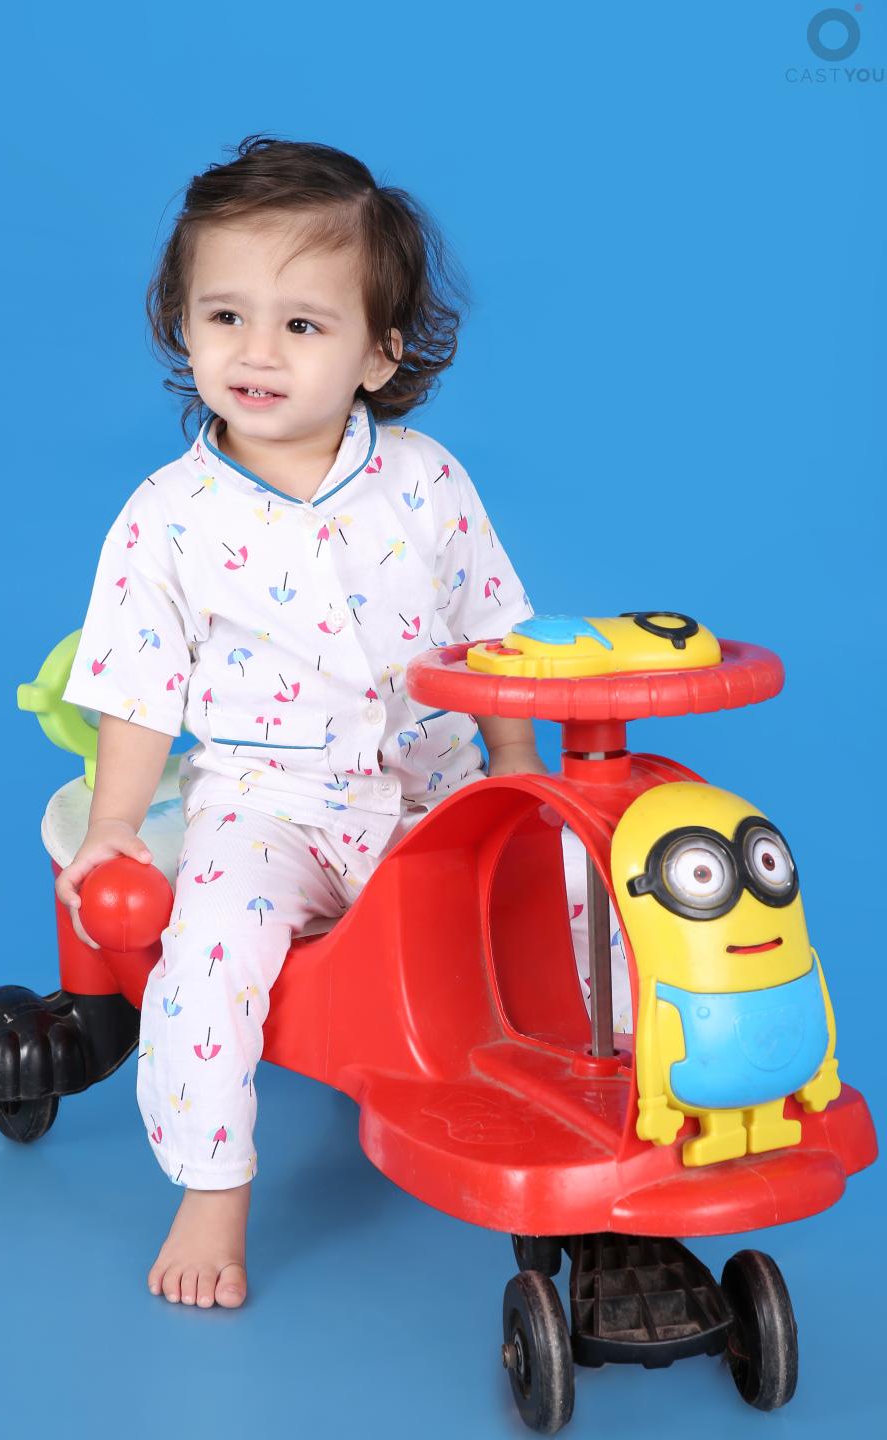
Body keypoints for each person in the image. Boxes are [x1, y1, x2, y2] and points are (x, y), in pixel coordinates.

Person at [56, 134, 544, 1311]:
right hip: (271, 811)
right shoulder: (168, 517)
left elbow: (495, 636)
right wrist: (116, 827)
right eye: (224, 316)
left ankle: (638, 1090)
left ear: (380, 352)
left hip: (436, 801)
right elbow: (138, 687)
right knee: (208, 956)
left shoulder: (425, 481)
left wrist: (520, 775)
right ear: (183, 325)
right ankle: (212, 1185)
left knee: (581, 891)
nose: (256, 351)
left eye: (303, 325)